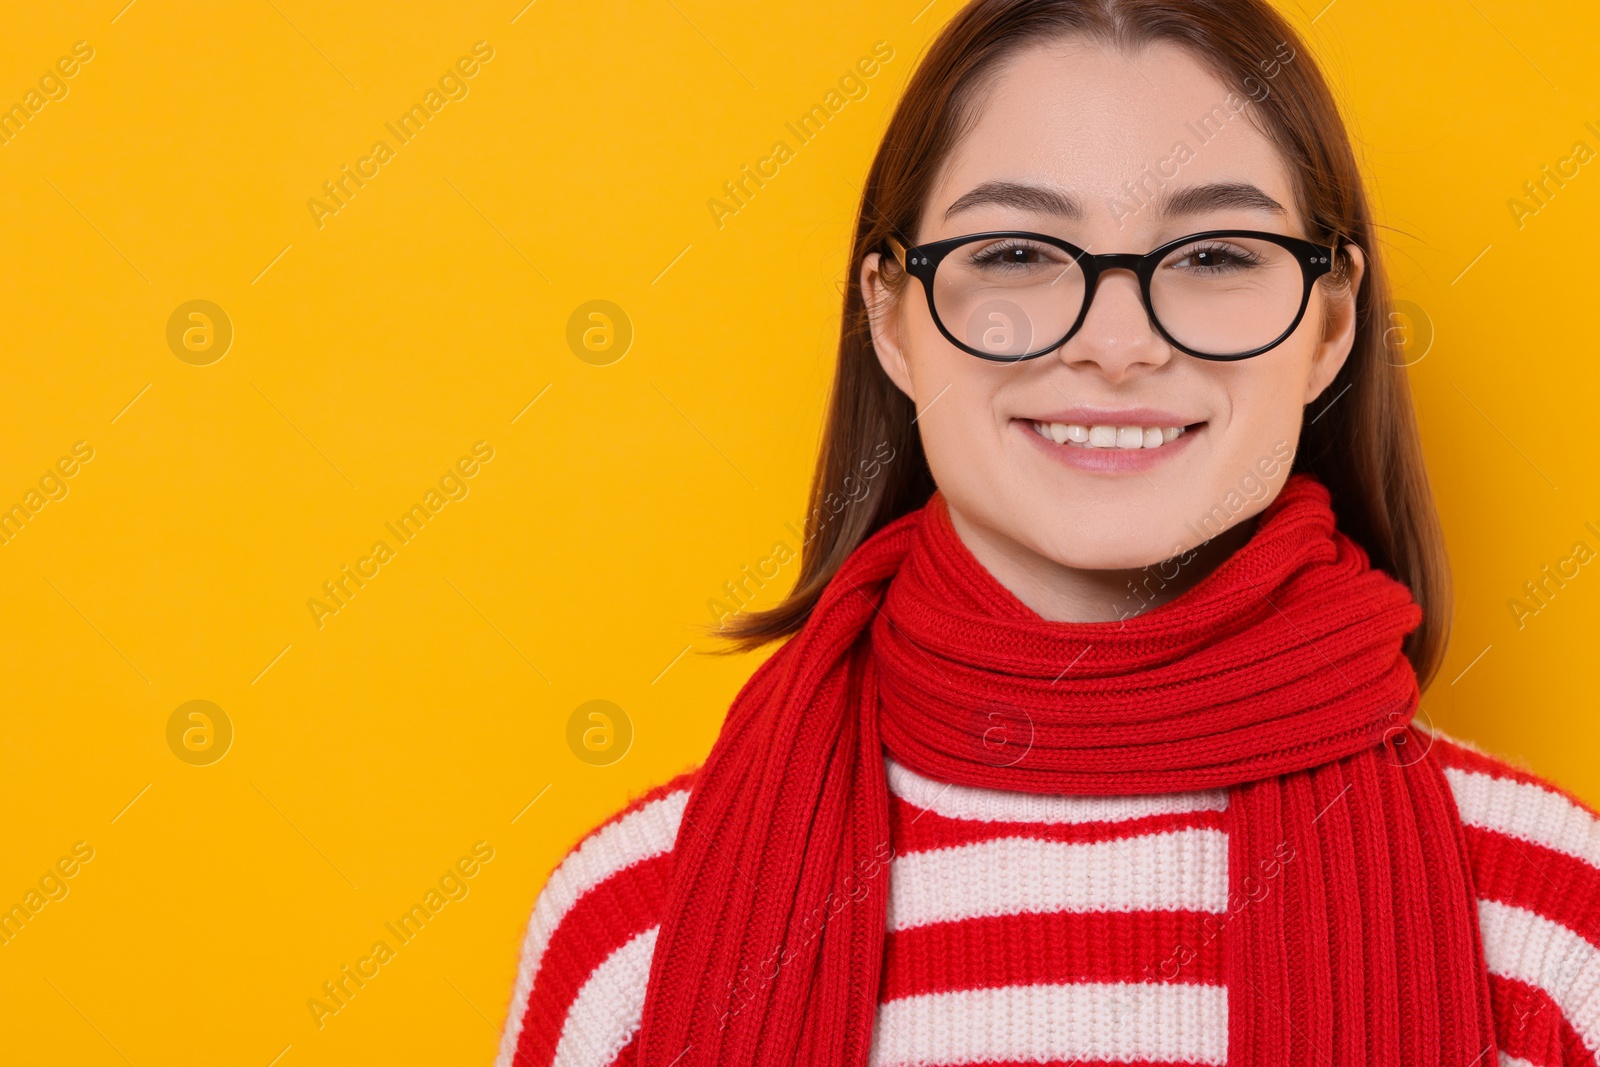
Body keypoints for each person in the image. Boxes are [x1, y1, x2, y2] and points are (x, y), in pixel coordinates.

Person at [496, 1, 1600, 1064]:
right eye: (1017, 253)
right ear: (889, 314)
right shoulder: (630, 928)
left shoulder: (1553, 925)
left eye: (1214, 255)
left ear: (1330, 320)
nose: (1116, 344)